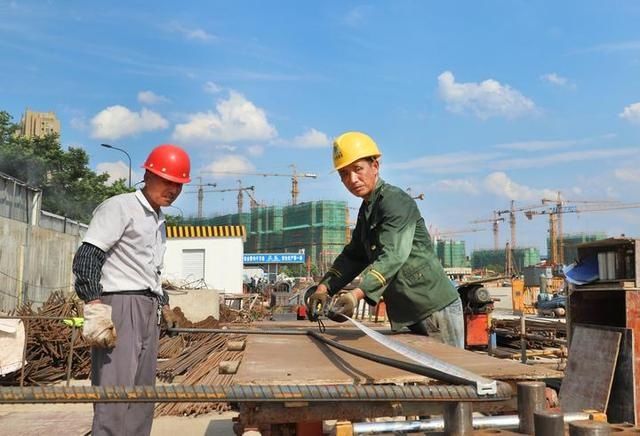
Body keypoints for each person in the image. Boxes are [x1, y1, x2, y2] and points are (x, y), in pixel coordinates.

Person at [72, 144, 190, 436]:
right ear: (148, 175)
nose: (173, 189)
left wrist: (163, 304)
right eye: (167, 181)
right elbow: (88, 256)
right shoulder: (121, 207)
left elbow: (148, 270)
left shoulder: (158, 219)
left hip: (147, 307)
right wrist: (94, 306)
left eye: (178, 184)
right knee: (115, 391)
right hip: (121, 306)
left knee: (142, 395)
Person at [307, 131, 465, 348]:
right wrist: (324, 289)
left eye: (358, 169)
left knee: (451, 377)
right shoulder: (368, 209)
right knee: (424, 378)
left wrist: (356, 295)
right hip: (409, 310)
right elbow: (353, 256)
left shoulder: (395, 202)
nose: (352, 179)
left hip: (433, 307)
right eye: (344, 174)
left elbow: (393, 255)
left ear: (376, 166)